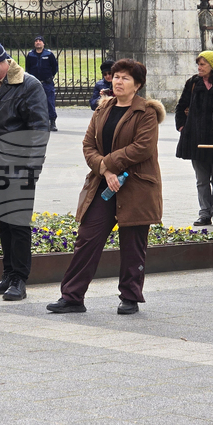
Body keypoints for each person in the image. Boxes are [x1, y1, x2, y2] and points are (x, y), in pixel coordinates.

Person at [47, 59, 164, 315]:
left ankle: (130, 297)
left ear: (138, 85)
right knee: (87, 238)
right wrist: (105, 170)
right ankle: (72, 296)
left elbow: (141, 148)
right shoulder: (103, 108)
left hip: (136, 187)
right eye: (116, 77)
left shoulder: (146, 112)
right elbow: (88, 145)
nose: (118, 81)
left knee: (133, 244)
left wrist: (107, 163)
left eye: (125, 78)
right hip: (104, 185)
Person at [0, 37, 49, 301]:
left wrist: (31, 170)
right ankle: (7, 274)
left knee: (18, 224)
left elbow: (38, 131)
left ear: (0, 63)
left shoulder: (29, 85)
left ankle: (20, 279)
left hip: (19, 167)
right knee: (3, 223)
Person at [176, 51, 213, 227]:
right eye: (198, 64)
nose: (199, 67)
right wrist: (182, 127)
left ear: (212, 65)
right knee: (202, 179)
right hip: (195, 139)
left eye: (203, 64)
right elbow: (181, 105)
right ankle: (204, 213)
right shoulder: (192, 83)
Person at [25, 35, 59, 132]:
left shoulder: (49, 54)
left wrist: (49, 77)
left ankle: (52, 122)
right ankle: (35, 123)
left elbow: (54, 68)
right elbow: (28, 68)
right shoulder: (31, 55)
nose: (38, 42)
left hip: (46, 83)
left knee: (50, 102)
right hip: (34, 83)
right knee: (33, 102)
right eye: (36, 41)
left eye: (40, 41)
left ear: (43, 43)